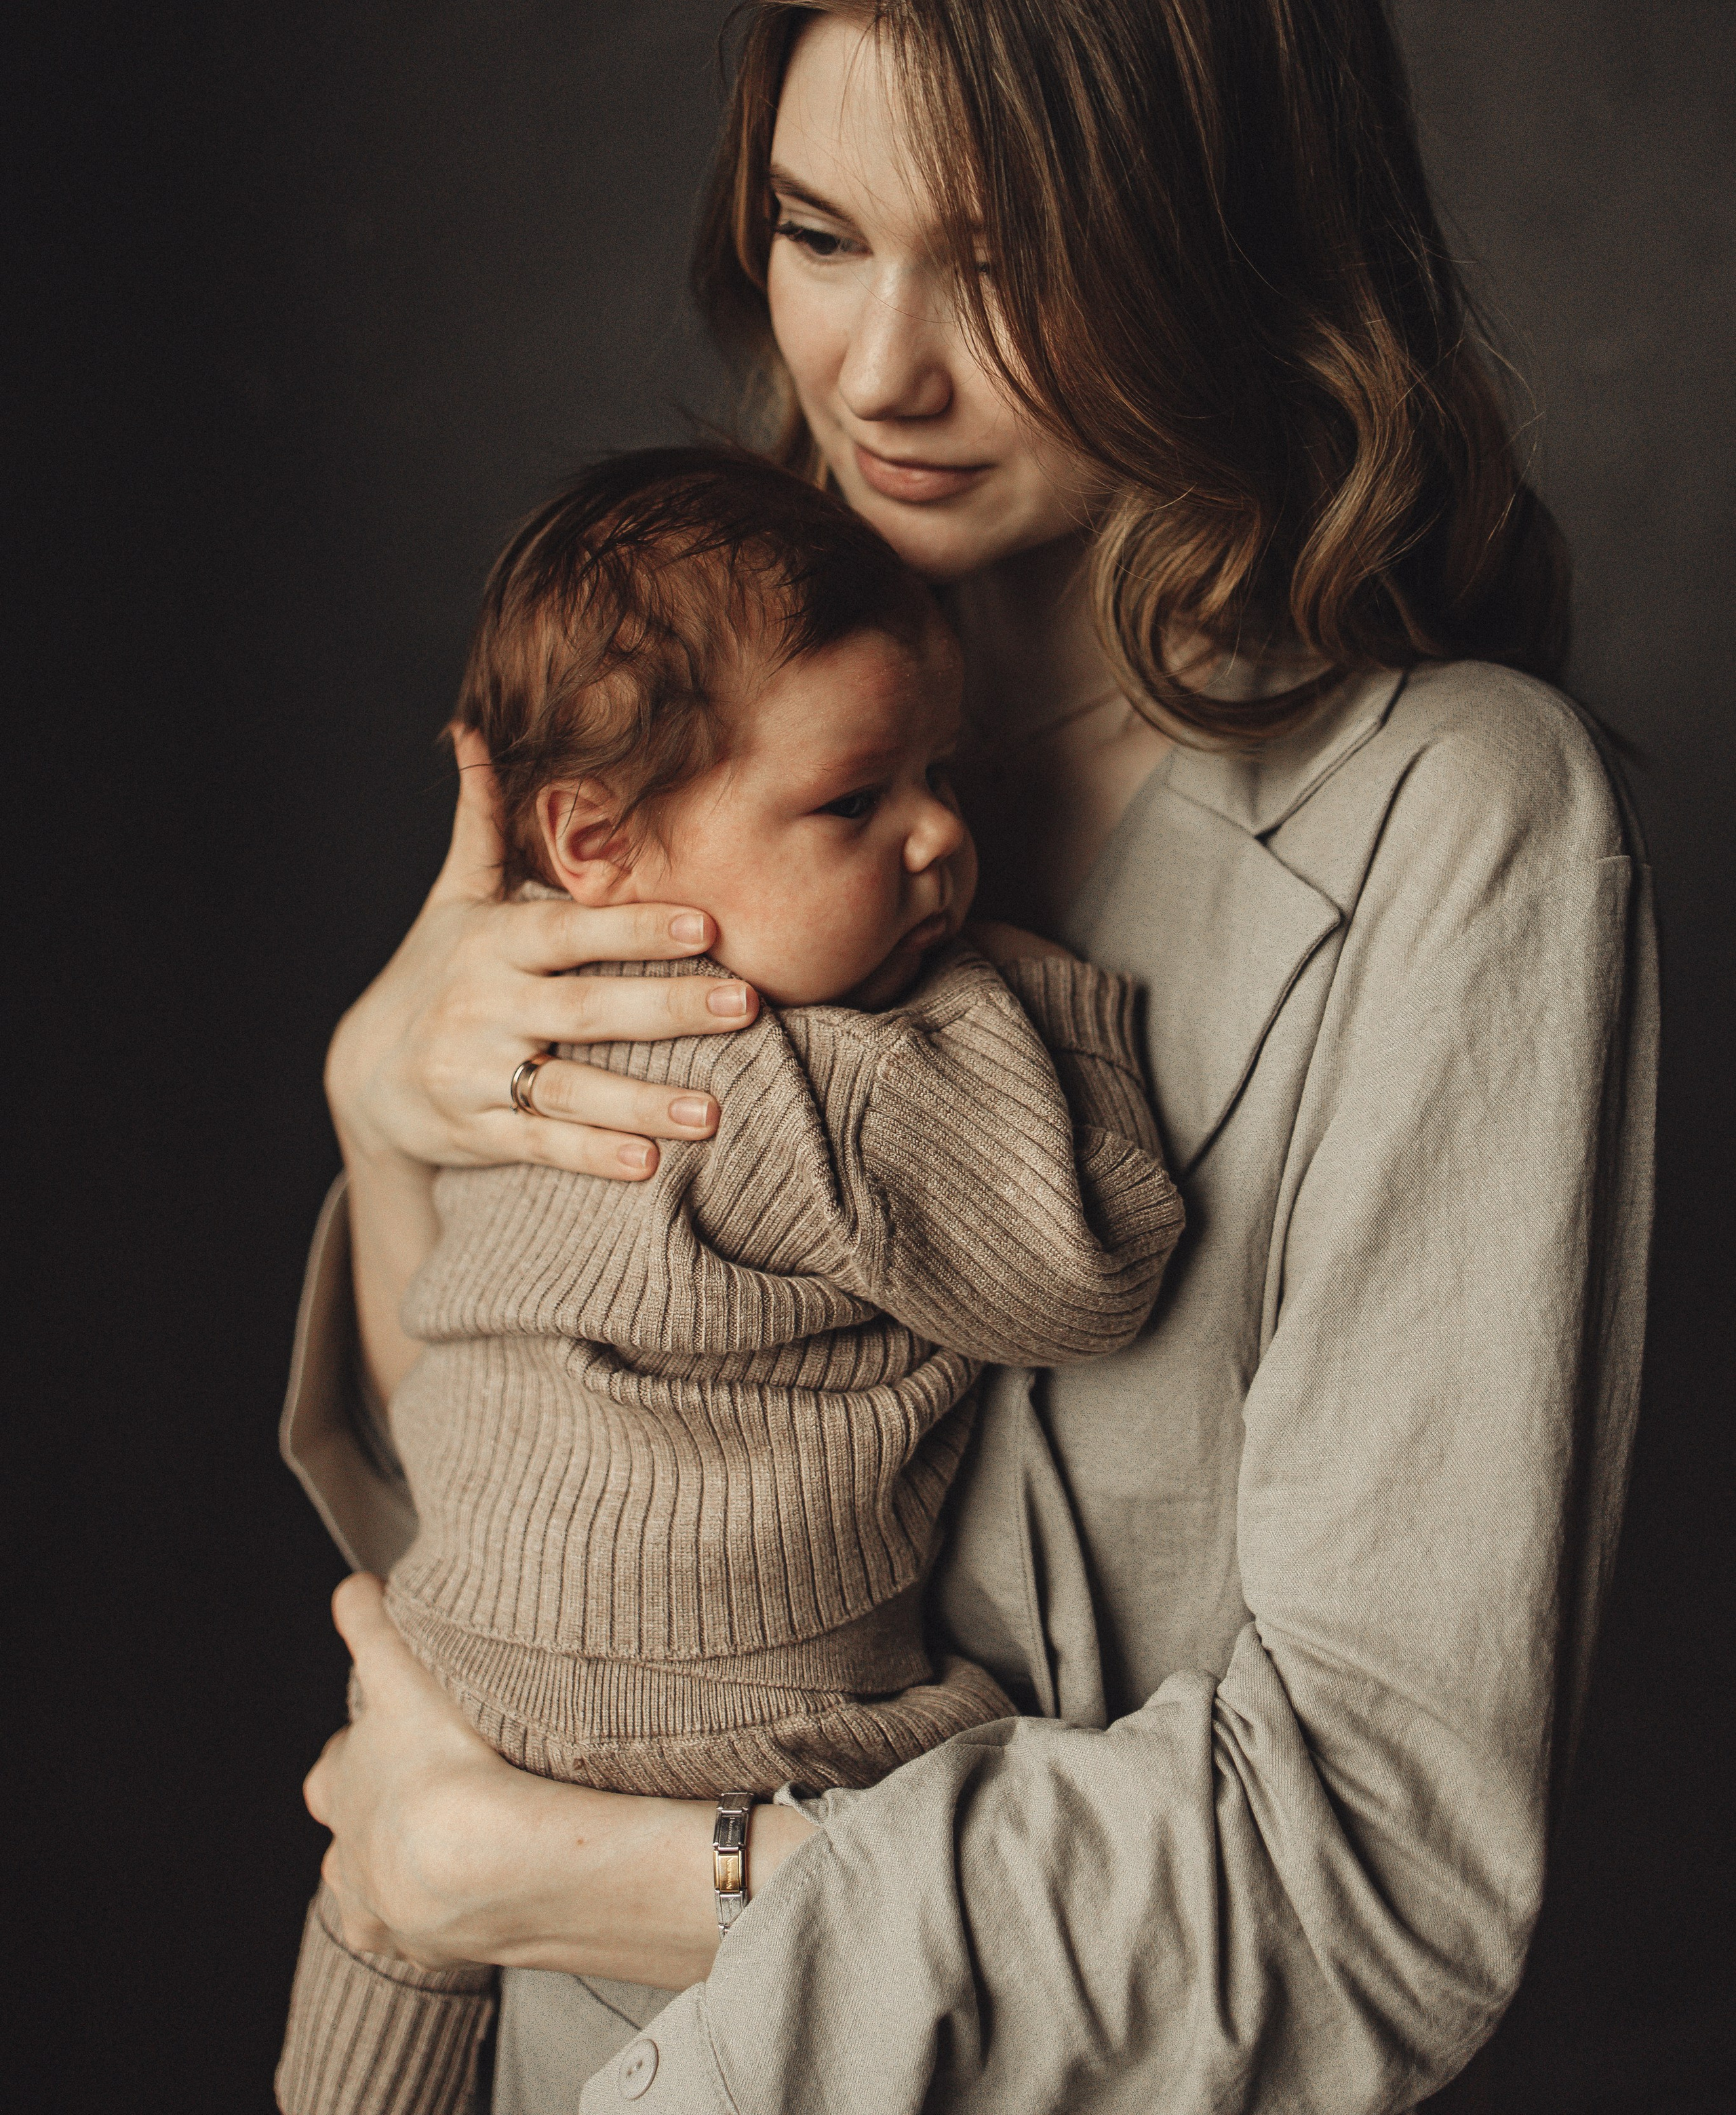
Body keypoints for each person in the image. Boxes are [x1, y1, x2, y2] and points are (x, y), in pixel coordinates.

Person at [287, 0, 1657, 2114]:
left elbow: (1376, 1885)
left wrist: (548, 1867)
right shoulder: (680, 723)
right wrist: (387, 1113)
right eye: (821, 237)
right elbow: (515, 1516)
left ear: (1223, 250)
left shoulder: (1465, 838)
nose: (880, 368)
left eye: (1012, 267)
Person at [277, 443, 1182, 2114]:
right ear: (596, 839)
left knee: (373, 1940)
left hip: (444, 1669)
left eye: (940, 775)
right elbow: (1086, 1266)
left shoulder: (504, 1024)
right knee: (930, 1875)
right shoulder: (808, 1086)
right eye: (855, 801)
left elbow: (445, 1346)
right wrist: (1030, 999)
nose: (935, 837)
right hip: (735, 1725)